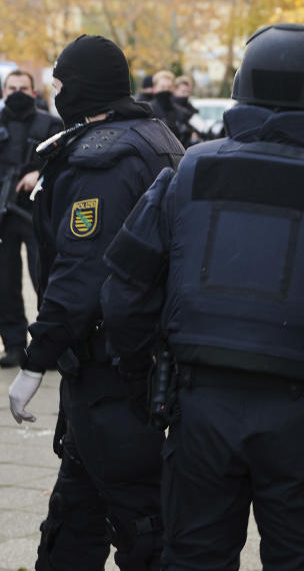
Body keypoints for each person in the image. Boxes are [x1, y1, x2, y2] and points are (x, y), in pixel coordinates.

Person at [99, 23, 304, 571]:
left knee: (195, 559)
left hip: (199, 410)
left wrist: (145, 384)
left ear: (242, 88)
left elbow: (124, 292)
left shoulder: (187, 172)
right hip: (303, 421)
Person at [7, 35, 185, 570]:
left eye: (60, 84)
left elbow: (84, 273)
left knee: (139, 525)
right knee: (74, 520)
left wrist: (35, 358)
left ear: (81, 88)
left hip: (114, 369)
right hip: (129, 366)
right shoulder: (155, 137)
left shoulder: (103, 158)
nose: (54, 94)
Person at [0, 70, 61, 368]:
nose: (18, 93)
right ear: (3, 92)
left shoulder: (49, 123)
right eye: (12, 88)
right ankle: (13, 345)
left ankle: (49, 346)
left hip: (37, 211)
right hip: (4, 215)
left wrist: (40, 173)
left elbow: (65, 160)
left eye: (23, 88)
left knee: (45, 280)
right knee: (5, 281)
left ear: (34, 91)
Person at [149, 70, 193, 147]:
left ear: (172, 89)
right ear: (155, 88)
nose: (166, 90)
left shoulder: (180, 112)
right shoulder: (147, 111)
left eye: (169, 87)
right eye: (162, 87)